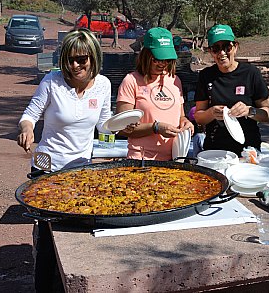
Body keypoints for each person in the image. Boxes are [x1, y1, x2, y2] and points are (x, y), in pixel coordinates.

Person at [16, 28, 113, 291]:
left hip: (81, 169)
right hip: (48, 167)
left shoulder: (103, 85)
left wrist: (120, 126)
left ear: (93, 58)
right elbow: (30, 114)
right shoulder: (52, 81)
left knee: (80, 230)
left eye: (82, 59)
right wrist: (26, 129)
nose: (75, 65)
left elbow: (104, 125)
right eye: (70, 59)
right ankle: (45, 287)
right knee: (50, 237)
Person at [116, 27, 194, 160]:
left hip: (174, 159)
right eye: (157, 59)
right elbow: (121, 128)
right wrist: (155, 127)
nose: (163, 64)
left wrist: (186, 122)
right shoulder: (131, 81)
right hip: (141, 160)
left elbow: (180, 116)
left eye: (167, 59)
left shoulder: (175, 80)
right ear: (146, 55)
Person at [193, 24, 269, 155]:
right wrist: (211, 113)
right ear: (211, 52)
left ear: (235, 47)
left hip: (247, 149)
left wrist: (249, 111)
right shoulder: (206, 76)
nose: (222, 53)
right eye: (216, 49)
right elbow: (199, 118)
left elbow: (268, 113)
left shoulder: (251, 73)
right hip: (215, 150)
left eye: (226, 47)